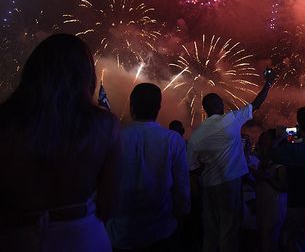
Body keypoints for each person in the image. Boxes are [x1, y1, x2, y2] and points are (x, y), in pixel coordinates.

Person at [0, 34, 120, 252]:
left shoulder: (5, 121)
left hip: (15, 236)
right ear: (85, 74)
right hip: (81, 235)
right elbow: (109, 204)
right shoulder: (104, 125)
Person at [188, 68, 277, 252]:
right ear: (219, 105)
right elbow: (257, 104)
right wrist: (268, 82)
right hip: (230, 184)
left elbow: (191, 167)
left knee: (211, 230)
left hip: (209, 186)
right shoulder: (230, 120)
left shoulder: (196, 136)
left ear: (205, 109)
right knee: (229, 230)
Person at [107, 83, 191, 251]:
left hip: (120, 232)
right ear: (158, 108)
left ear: (131, 106)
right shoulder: (173, 140)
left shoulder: (114, 138)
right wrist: (181, 213)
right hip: (161, 230)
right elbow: (181, 187)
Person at [272, 106, 305, 252]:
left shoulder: (293, 149)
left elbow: (272, 154)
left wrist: (280, 138)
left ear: (298, 124)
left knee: (294, 240)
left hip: (297, 204)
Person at [253, 129, 288, 252]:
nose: (261, 141)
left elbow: (283, 186)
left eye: (265, 139)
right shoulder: (262, 159)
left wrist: (266, 177)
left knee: (269, 236)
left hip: (274, 203)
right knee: (264, 236)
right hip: (264, 201)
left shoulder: (278, 160)